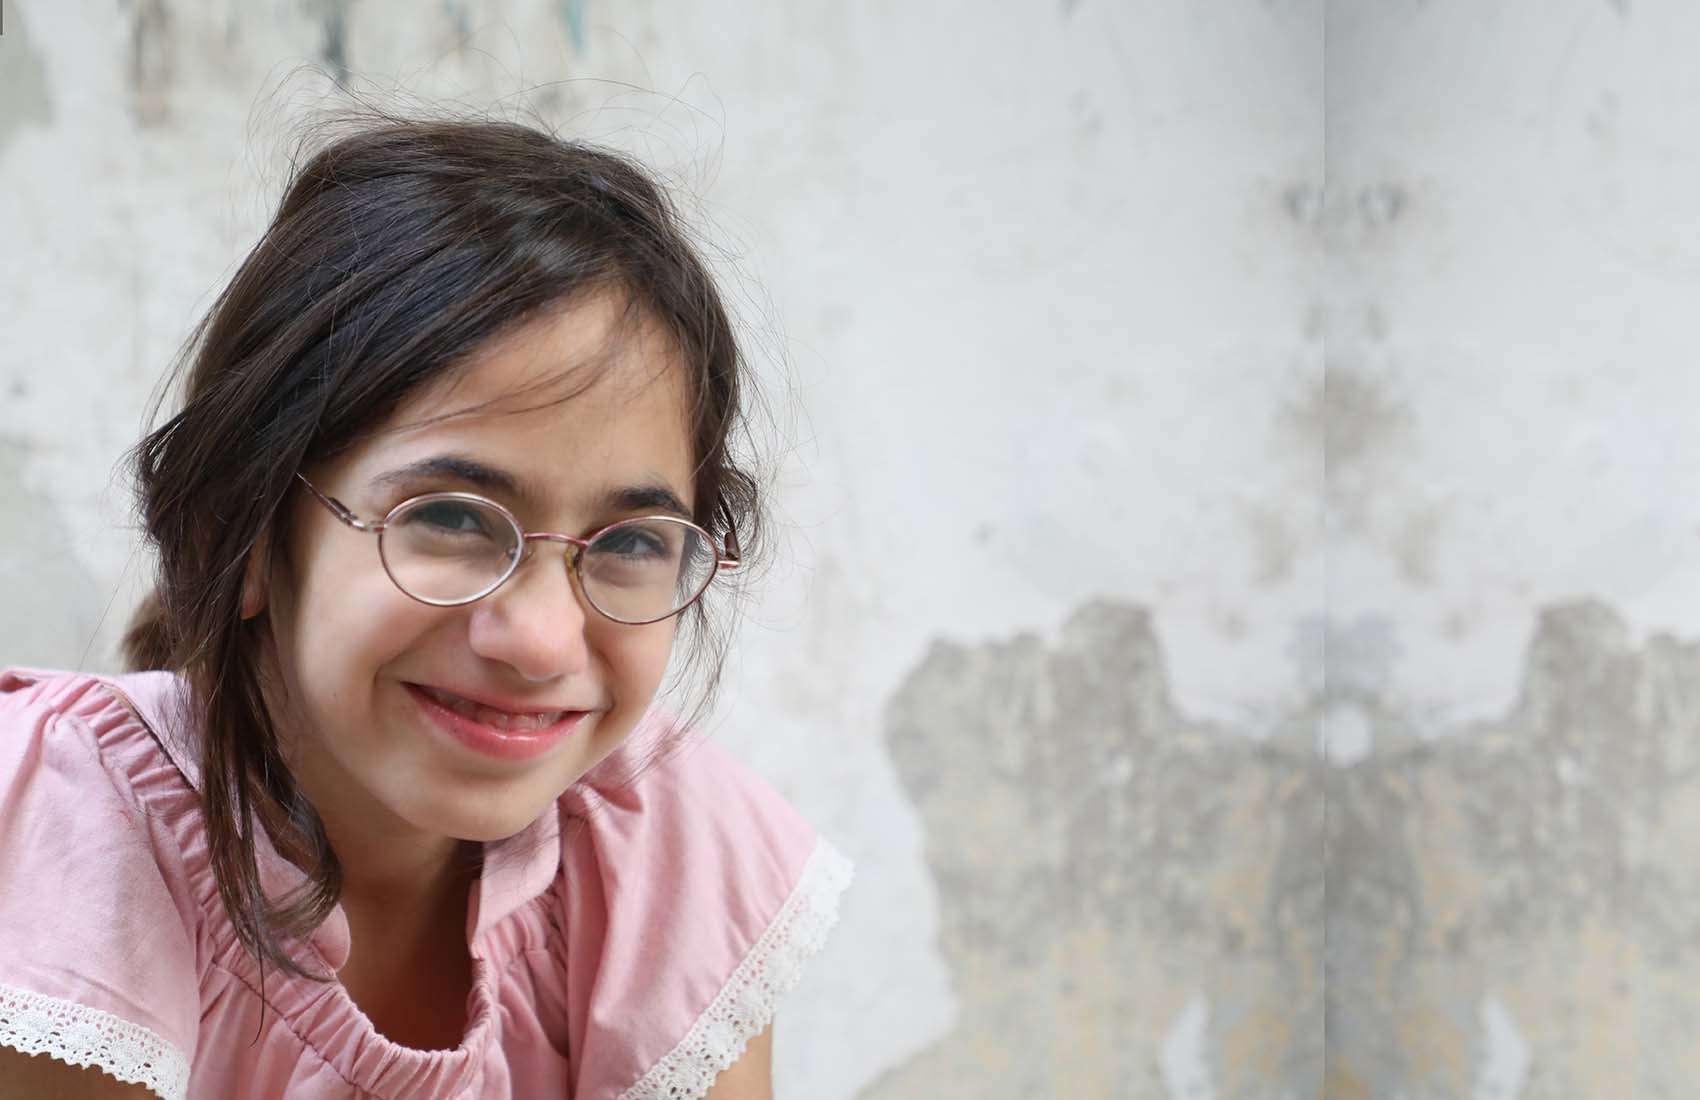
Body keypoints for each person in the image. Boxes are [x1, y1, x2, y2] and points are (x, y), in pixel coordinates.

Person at [0, 115, 853, 1100]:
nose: (539, 641)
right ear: (235, 538)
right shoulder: (70, 832)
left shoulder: (655, 846)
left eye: (628, 542)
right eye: (448, 518)